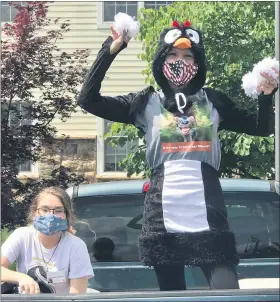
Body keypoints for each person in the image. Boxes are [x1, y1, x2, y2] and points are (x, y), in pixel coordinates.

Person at [77, 20, 278, 291]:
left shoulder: (214, 101)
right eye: (172, 54)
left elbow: (262, 128)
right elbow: (87, 99)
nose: (179, 60)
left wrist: (266, 96)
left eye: (187, 55)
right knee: (172, 294)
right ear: (161, 60)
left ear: (199, 62)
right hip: (162, 208)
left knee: (226, 289)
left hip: (208, 204)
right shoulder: (145, 102)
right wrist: (111, 49)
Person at [1, 187, 94, 294]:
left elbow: (76, 295)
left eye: (58, 210)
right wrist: (21, 277)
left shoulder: (76, 246)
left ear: (66, 215)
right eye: (44, 210)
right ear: (35, 212)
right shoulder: (22, 236)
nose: (50, 216)